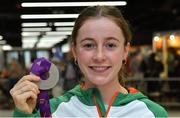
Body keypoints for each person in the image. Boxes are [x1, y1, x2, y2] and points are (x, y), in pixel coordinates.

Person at [10, 6, 168, 117]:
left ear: (125, 51)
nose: (99, 56)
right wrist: (23, 115)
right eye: (88, 45)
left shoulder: (153, 114)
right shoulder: (52, 111)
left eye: (111, 45)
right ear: (75, 51)